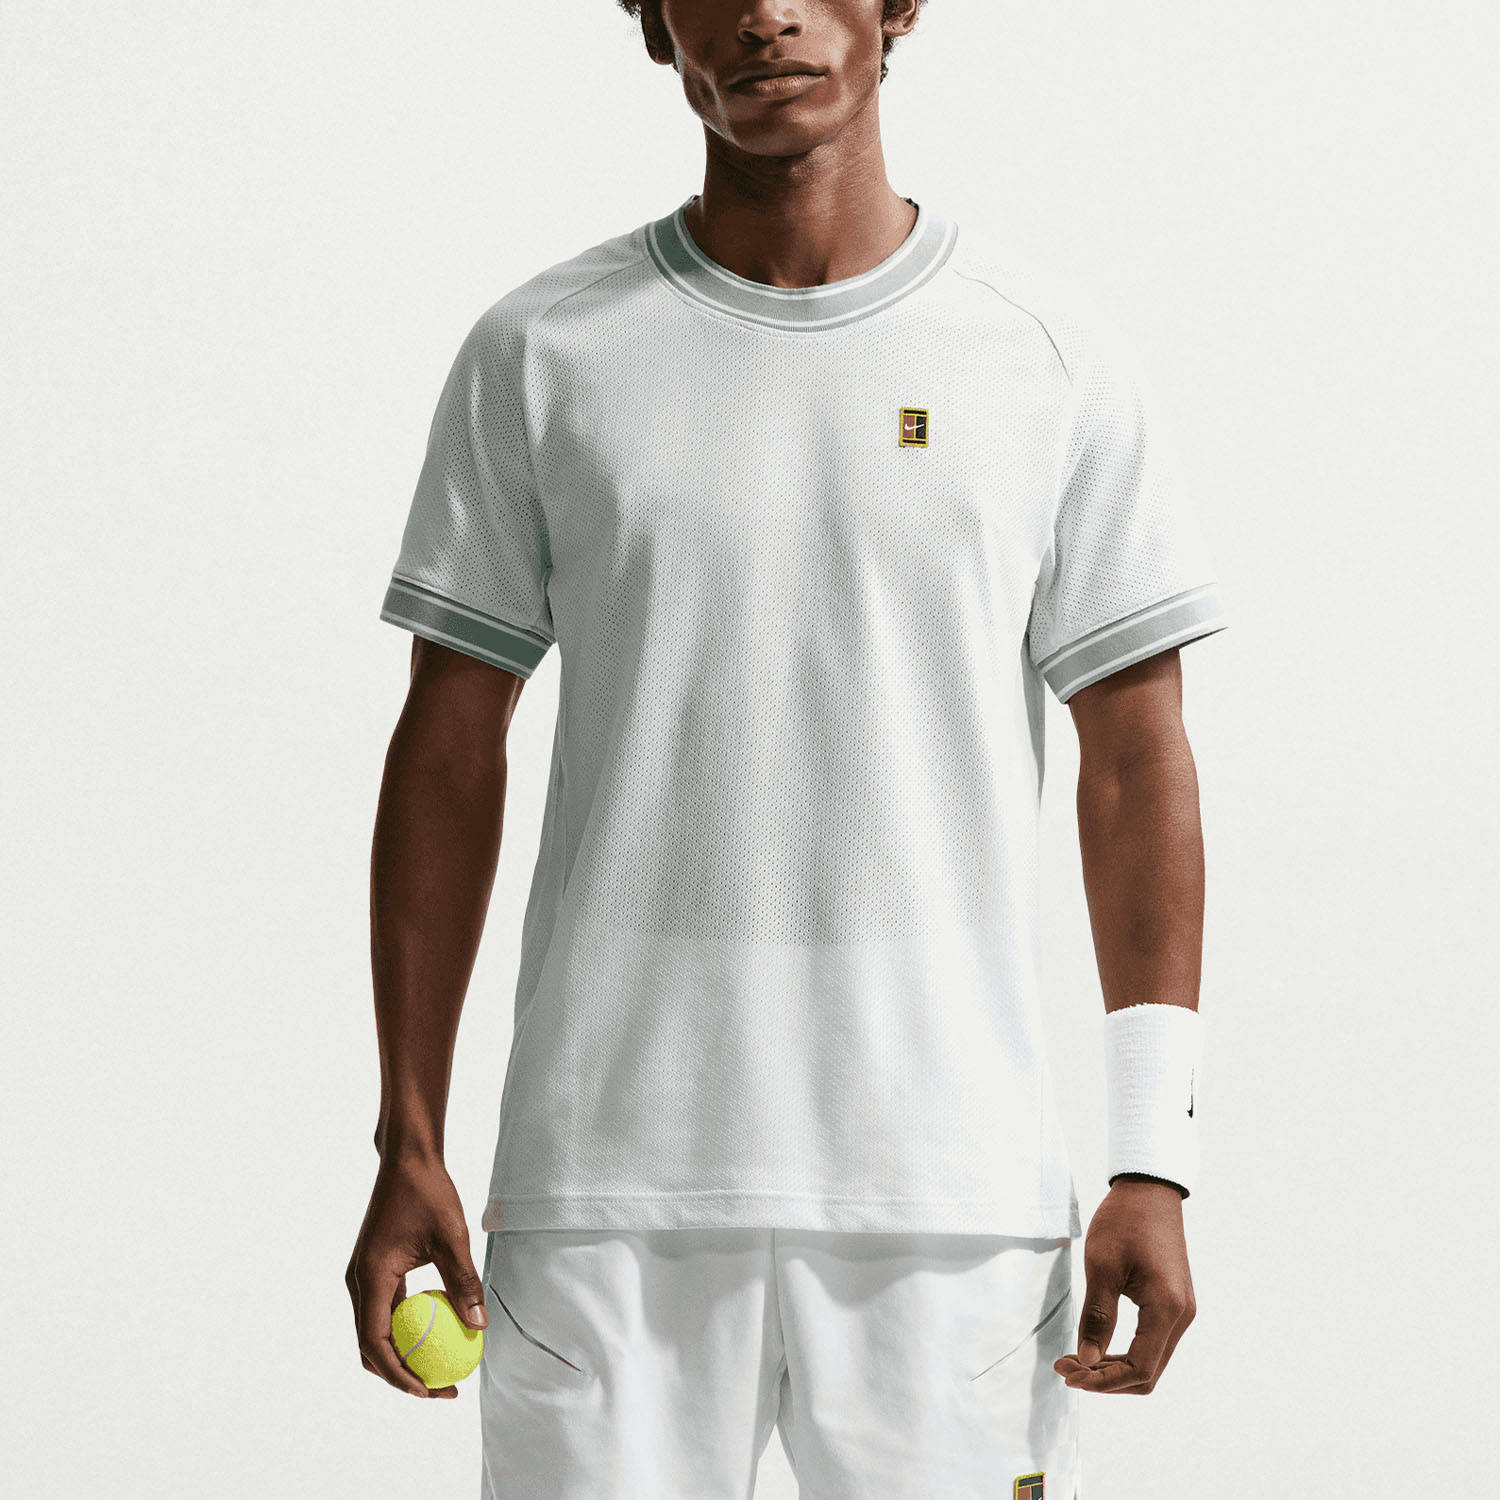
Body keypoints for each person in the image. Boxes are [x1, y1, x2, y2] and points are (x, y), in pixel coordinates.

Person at [345, 2, 1227, 1495]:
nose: (765, 12)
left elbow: (1137, 762)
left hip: (950, 1199)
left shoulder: (1044, 357)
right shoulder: (543, 353)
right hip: (606, 1187)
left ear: (899, 6)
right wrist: (408, 1137)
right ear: (652, 24)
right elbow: (446, 753)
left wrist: (1155, 1153)